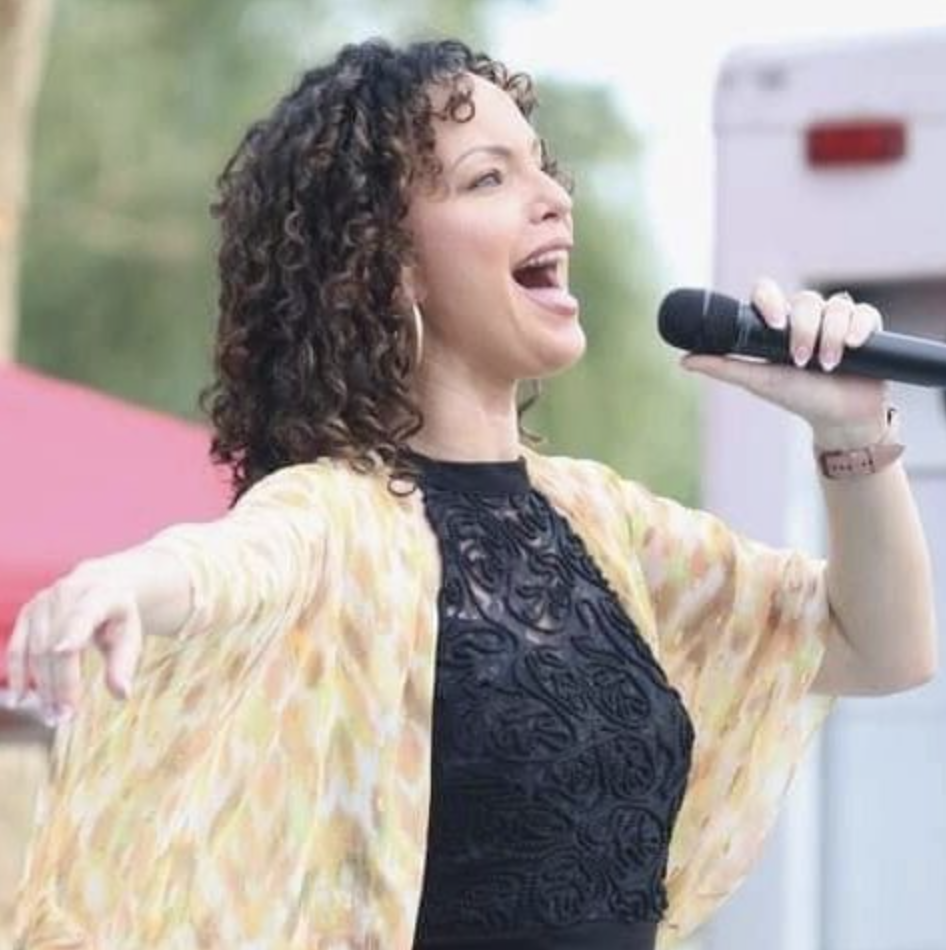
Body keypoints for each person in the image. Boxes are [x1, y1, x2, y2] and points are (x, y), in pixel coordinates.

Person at [6, 36, 937, 950]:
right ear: (386, 261)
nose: (554, 200)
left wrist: (851, 430)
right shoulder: (342, 518)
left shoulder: (599, 520)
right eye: (490, 179)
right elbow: (232, 564)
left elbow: (880, 647)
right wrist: (121, 584)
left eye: (542, 167)